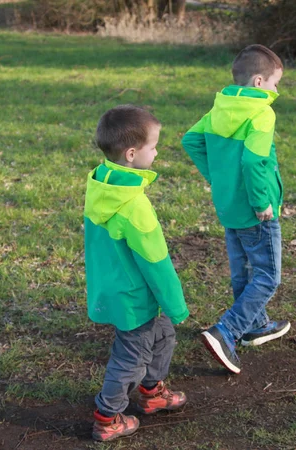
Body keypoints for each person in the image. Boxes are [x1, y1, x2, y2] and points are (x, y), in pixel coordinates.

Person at [182, 44, 290, 375]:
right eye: (274, 83)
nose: (276, 90)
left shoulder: (220, 108)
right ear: (258, 82)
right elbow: (254, 161)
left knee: (242, 270)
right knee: (268, 276)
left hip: (228, 204)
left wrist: (218, 176)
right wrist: (261, 202)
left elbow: (191, 140)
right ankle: (225, 331)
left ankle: (255, 326)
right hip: (255, 210)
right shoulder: (261, 113)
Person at [84, 105, 189, 441]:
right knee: (131, 358)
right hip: (135, 297)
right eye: (154, 146)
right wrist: (176, 306)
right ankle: (107, 416)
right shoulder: (135, 207)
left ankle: (152, 392)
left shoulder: (103, 184)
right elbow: (157, 265)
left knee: (163, 337)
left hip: (112, 287)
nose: (157, 152)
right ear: (132, 154)